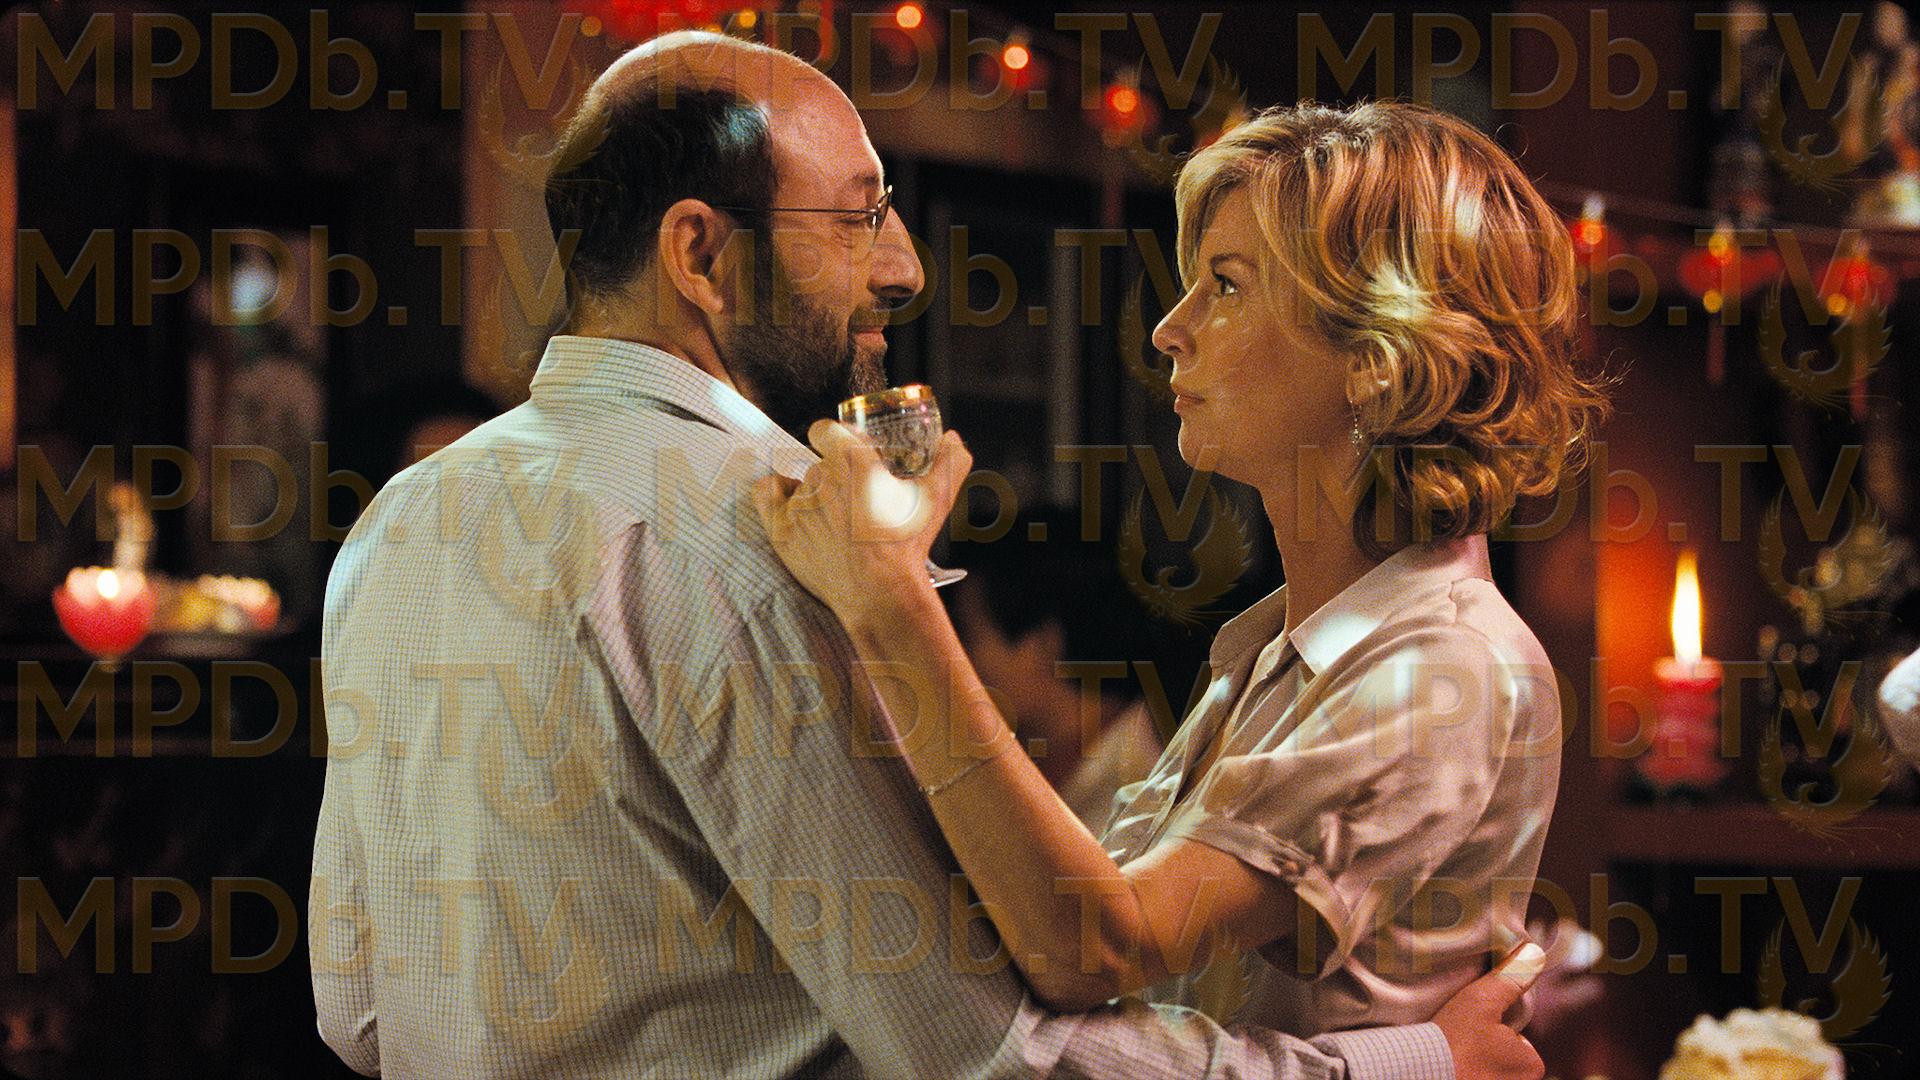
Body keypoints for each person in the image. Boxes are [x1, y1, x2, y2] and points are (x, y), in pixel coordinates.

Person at [311, 32, 1545, 1078]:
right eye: (860, 219)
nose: (902, 267)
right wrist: (1418, 1063)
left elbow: (358, 1009)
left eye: (1223, 286)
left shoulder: (404, 517)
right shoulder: (780, 541)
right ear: (701, 256)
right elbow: (989, 1050)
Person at [757, 99, 1607, 1040]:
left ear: (1376, 353)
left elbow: (1095, 949)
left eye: (1227, 285)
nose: (1170, 327)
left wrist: (891, 599)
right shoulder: (1280, 643)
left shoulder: (1442, 663)